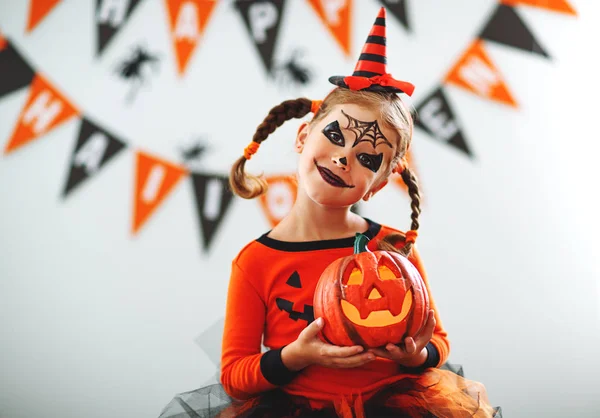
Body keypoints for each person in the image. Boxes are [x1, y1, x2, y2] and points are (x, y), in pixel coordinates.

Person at [214, 8, 500, 418]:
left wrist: (415, 356)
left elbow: (438, 340)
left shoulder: (394, 249)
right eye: (334, 135)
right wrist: (295, 355)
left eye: (367, 157)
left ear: (380, 182)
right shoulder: (256, 262)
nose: (344, 158)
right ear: (302, 135)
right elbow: (234, 375)